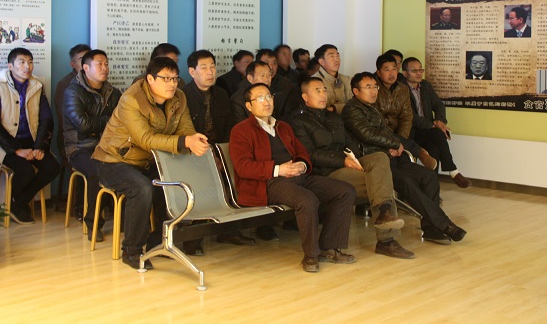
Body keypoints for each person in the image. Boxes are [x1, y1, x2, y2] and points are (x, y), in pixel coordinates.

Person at [93, 57, 209, 269]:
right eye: (166, 78)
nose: (172, 84)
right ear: (150, 79)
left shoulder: (179, 97)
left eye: (175, 78)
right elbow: (145, 139)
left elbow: (185, 129)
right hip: (114, 160)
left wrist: (193, 140)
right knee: (143, 189)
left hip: (150, 161)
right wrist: (185, 142)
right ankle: (132, 251)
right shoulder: (131, 99)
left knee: (175, 184)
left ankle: (160, 243)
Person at [229, 83, 357, 272]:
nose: (266, 102)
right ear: (249, 106)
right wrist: (278, 169)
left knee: (345, 191)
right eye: (260, 98)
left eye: (269, 96)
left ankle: (329, 247)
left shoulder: (283, 126)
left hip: (298, 177)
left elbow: (301, 152)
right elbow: (243, 167)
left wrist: (302, 165)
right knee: (307, 200)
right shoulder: (241, 130)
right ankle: (311, 255)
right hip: (269, 183)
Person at [290, 77, 414, 259]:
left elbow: (350, 143)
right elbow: (310, 154)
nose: (323, 94)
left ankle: (385, 213)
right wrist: (343, 161)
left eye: (324, 90)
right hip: (326, 172)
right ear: (305, 97)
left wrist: (354, 158)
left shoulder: (333, 117)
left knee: (380, 158)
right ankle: (387, 240)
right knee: (381, 183)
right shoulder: (298, 121)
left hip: (349, 164)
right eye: (317, 91)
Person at [342, 72, 467, 245]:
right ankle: (445, 225)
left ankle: (431, 229)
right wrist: (393, 144)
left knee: (429, 177)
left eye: (375, 87)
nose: (373, 91)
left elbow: (386, 133)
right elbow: (367, 135)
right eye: (368, 87)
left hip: (392, 156)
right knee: (407, 182)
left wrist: (395, 145)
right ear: (356, 91)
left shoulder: (372, 109)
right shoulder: (352, 110)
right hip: (376, 161)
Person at [182, 49, 253, 252]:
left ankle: (229, 230)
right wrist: (208, 155)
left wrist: (223, 154)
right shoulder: (183, 96)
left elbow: (230, 127)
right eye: (204, 68)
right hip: (193, 154)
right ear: (192, 72)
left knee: (237, 172)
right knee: (201, 182)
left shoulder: (221, 94)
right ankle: (192, 239)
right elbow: (184, 132)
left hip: (218, 151)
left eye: (212, 67)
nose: (210, 72)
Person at [0, 48, 60, 224]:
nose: (27, 66)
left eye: (30, 62)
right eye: (22, 62)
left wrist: (40, 147)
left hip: (31, 142)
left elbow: (46, 119)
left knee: (52, 167)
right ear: (10, 66)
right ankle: (18, 204)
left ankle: (17, 202)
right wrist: (16, 149)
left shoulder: (37, 86)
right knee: (25, 170)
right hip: (4, 145)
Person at [63, 49, 121, 240]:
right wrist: (109, 120)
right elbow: (83, 125)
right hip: (80, 147)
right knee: (97, 170)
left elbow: (122, 120)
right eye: (99, 64)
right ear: (86, 68)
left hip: (107, 146)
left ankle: (125, 218)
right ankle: (94, 223)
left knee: (130, 166)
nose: (105, 68)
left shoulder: (113, 92)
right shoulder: (73, 91)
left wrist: (105, 122)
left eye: (106, 64)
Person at [402, 57, 471, 188]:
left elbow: (439, 105)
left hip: (428, 131)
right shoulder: (401, 89)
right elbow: (410, 116)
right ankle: (453, 171)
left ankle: (431, 191)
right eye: (414, 71)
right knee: (438, 134)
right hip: (411, 132)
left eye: (420, 70)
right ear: (405, 73)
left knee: (434, 150)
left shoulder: (425, 86)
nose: (419, 73)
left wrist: (440, 121)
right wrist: (434, 125)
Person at [373, 53, 437, 171]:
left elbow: (406, 117)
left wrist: (400, 140)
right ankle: (419, 152)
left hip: (398, 134)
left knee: (435, 135)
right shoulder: (373, 89)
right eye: (387, 70)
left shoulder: (403, 89)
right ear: (378, 73)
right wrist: (396, 142)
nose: (392, 73)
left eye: (394, 69)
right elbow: (375, 119)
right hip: (379, 132)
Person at [54, 44, 91, 162]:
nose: (86, 62)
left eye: (89, 58)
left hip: (97, 138)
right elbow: (65, 121)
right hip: (72, 141)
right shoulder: (65, 84)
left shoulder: (98, 82)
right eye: (81, 59)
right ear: (72, 64)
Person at [257, 48, 299, 118]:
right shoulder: (248, 83)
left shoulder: (287, 86)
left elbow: (291, 112)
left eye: (274, 63)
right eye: (266, 63)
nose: (271, 67)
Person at [314, 44, 351, 113]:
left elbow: (355, 105)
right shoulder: (314, 82)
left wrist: (333, 108)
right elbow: (318, 111)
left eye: (338, 56)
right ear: (321, 62)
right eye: (332, 56)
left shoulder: (347, 80)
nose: (337, 59)